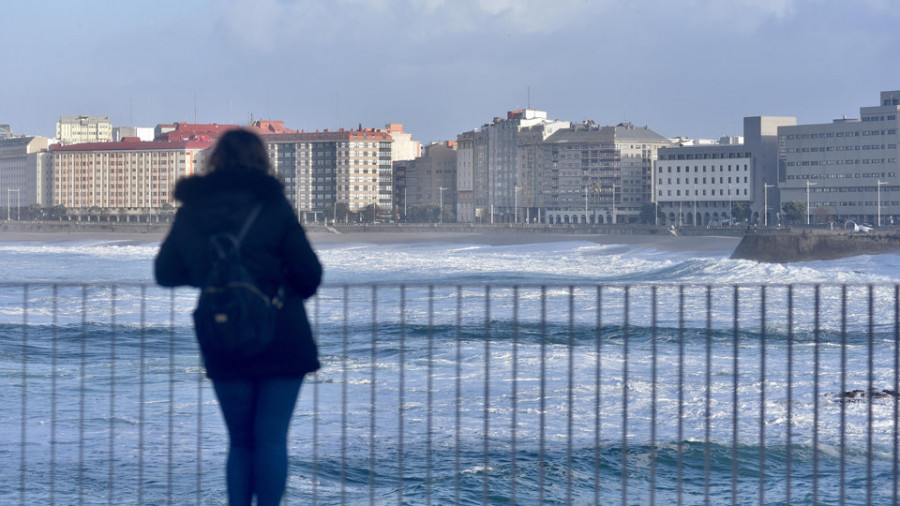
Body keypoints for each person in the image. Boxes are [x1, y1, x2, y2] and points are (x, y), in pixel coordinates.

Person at [154, 128, 322, 505]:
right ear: (263, 160)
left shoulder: (194, 209)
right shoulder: (273, 205)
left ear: (214, 161)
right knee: (272, 438)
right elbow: (309, 275)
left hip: (223, 333)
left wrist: (213, 277)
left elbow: (166, 273)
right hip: (282, 334)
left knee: (240, 442)